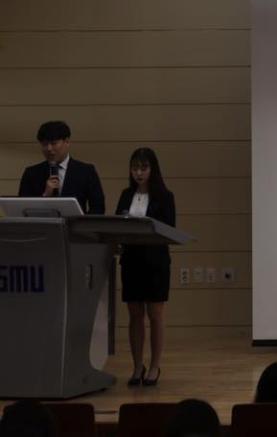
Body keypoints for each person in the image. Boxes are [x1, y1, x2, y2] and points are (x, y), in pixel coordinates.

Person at [116, 147, 175, 387]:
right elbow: (117, 225)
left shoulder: (165, 196)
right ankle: (137, 365)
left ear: (153, 169)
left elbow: (169, 229)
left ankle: (154, 365)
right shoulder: (125, 195)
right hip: (131, 260)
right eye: (135, 168)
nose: (139, 173)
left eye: (143, 168)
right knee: (135, 314)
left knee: (155, 314)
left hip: (155, 261)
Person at [17, 120, 104, 215]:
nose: (49, 149)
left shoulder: (86, 171)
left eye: (53, 143)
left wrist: (82, 222)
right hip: (42, 223)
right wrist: (45, 195)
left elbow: (98, 208)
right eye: (45, 144)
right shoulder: (31, 173)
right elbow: (23, 208)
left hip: (76, 223)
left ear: (67, 142)